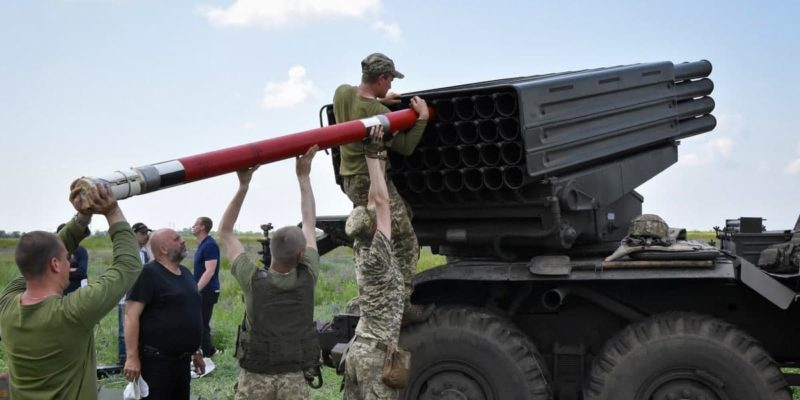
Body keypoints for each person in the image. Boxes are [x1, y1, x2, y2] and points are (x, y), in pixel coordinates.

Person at [0, 180, 142, 399]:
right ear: (55, 265)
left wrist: (82, 218)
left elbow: (40, 253)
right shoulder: (72, 312)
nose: (70, 263)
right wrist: (112, 210)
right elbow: (128, 264)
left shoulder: (7, 304)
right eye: (67, 258)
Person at [333, 52, 432, 323]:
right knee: (406, 242)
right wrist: (421, 118)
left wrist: (379, 100)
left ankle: (371, 294)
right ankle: (400, 304)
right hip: (371, 179)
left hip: (349, 178)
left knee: (391, 224)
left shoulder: (341, 93)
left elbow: (359, 102)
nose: (390, 87)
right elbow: (406, 147)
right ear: (382, 78)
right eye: (389, 81)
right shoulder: (379, 114)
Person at [218, 146, 321, 400]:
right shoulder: (308, 276)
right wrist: (303, 177)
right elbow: (309, 223)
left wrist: (243, 185)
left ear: (271, 251)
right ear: (300, 256)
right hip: (294, 378)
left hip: (255, 378)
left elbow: (226, 232)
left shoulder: (252, 281)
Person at [342, 126, 406, 399]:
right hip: (375, 357)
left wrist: (376, 158)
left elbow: (373, 201)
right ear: (372, 228)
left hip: (358, 352)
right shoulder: (378, 254)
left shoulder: (360, 247)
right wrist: (372, 153)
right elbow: (381, 201)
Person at [123, 228, 205, 399]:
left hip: (182, 363)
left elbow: (189, 313)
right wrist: (131, 357)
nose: (183, 240)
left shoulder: (187, 274)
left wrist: (196, 351)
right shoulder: (148, 274)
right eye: (176, 239)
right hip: (157, 364)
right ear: (163, 249)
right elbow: (131, 315)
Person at [192, 216, 221, 357]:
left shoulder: (210, 245)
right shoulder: (202, 244)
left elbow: (209, 271)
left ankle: (207, 354)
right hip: (203, 290)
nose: (193, 226)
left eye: (196, 224)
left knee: (202, 324)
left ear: (203, 227)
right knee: (199, 323)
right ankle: (207, 350)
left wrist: (196, 289)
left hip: (207, 291)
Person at [56, 223, 89, 294]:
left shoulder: (81, 250)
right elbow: (51, 273)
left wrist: (62, 271)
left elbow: (82, 272)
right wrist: (73, 269)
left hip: (79, 291)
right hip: (61, 292)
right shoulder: (54, 252)